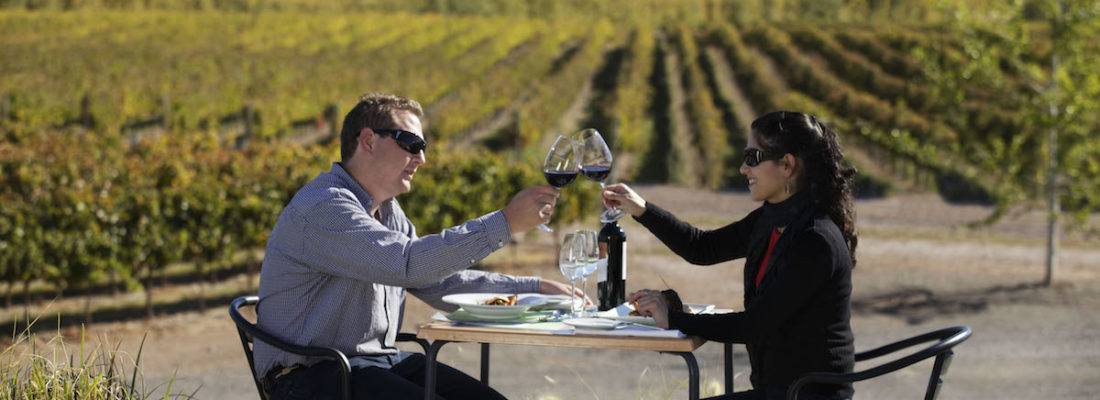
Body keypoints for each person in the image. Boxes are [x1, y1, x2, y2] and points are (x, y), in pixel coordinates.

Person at [254, 92, 581, 400]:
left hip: (372, 362)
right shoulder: (325, 206)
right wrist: (505, 222)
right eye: (411, 143)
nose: (421, 158)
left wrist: (534, 289)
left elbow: (440, 280)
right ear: (368, 141)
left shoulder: (387, 209)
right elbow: (408, 263)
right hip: (310, 376)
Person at [603, 111, 858, 400]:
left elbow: (754, 326)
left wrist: (673, 319)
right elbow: (702, 248)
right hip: (778, 391)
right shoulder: (771, 220)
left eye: (752, 158)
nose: (742, 169)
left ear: (787, 165)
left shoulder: (814, 239)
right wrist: (642, 209)